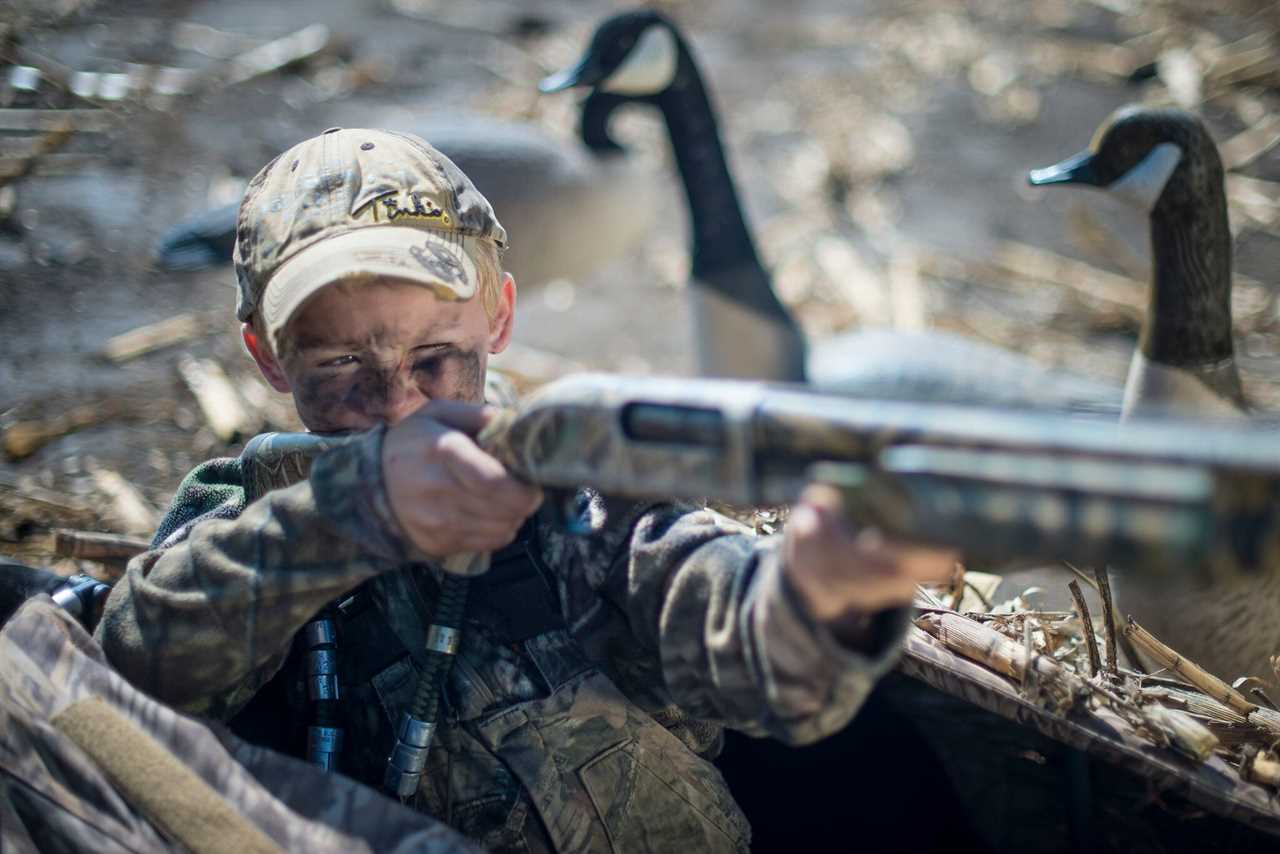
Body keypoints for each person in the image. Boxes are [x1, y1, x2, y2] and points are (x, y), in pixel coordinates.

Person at [95, 127, 954, 853]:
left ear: (499, 316)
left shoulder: (576, 498)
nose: (396, 405)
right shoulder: (246, 512)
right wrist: (351, 511)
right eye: (341, 368)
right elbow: (131, 670)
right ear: (267, 358)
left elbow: (736, 636)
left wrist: (821, 595)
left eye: (435, 360)